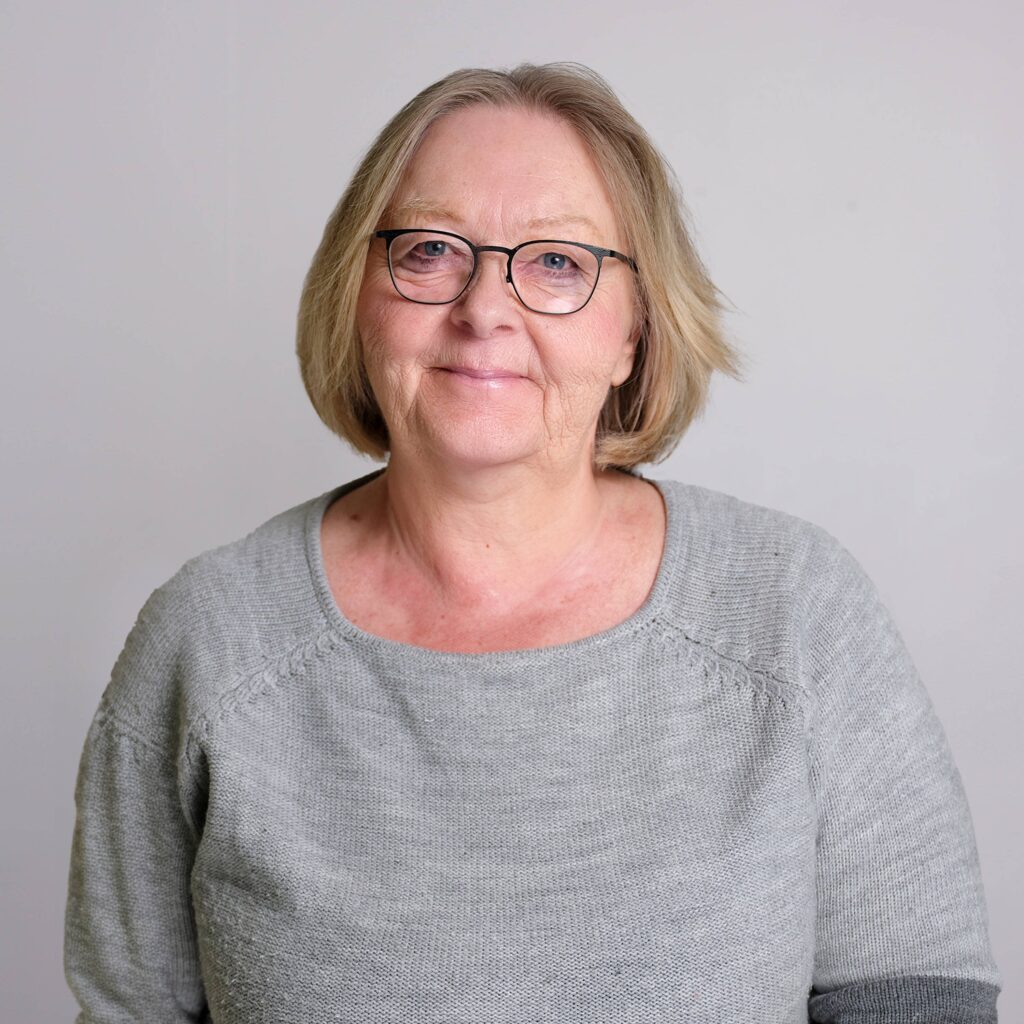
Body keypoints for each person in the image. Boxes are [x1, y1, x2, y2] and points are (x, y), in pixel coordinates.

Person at [63, 63, 1001, 1023]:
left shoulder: (798, 613)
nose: (484, 309)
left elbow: (916, 998)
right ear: (358, 294)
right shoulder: (209, 644)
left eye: (558, 261)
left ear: (633, 331)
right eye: (430, 250)